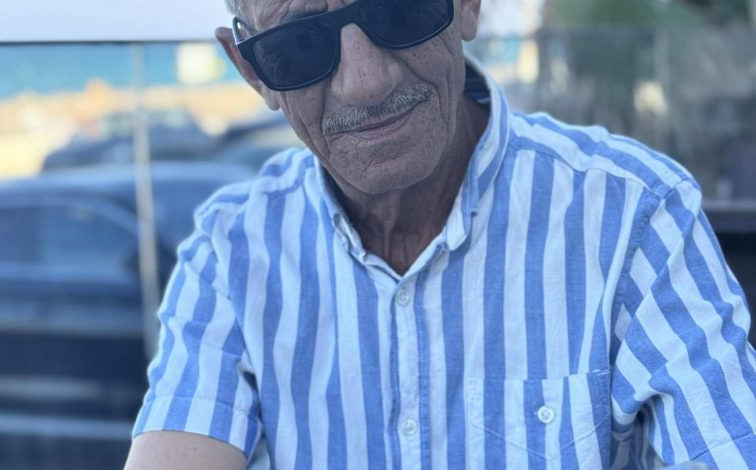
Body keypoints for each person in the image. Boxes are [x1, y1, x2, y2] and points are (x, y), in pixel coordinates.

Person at [124, 0, 756, 468]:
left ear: (467, 5)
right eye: (299, 47)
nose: (365, 80)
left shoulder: (633, 218)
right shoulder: (232, 253)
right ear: (252, 72)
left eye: (398, 10)